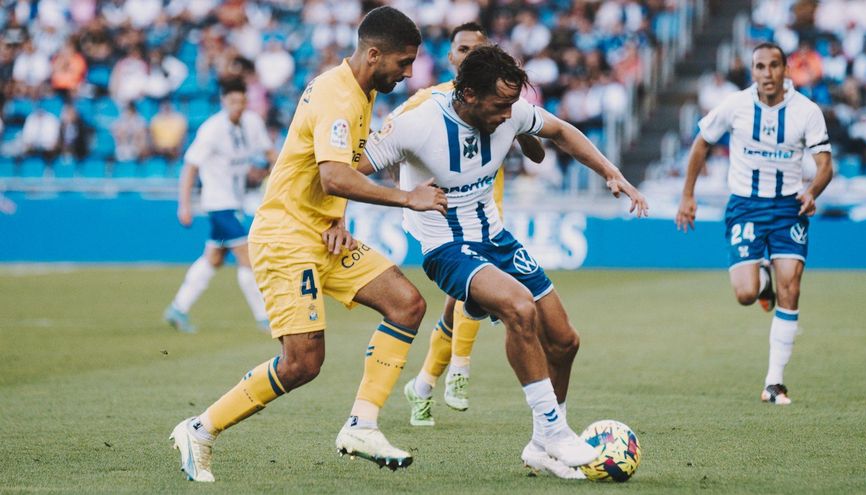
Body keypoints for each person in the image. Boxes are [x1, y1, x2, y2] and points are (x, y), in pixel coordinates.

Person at [169, 6, 447, 482]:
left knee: (406, 304)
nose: (409, 72)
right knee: (302, 363)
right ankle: (199, 429)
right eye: (404, 62)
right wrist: (408, 199)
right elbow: (334, 174)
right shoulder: (338, 97)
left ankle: (362, 425)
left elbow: (339, 170)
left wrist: (338, 215)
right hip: (285, 236)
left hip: (323, 232)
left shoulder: (360, 91)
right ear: (374, 54)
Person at [362, 45, 648, 479]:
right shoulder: (417, 123)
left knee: (565, 341)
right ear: (470, 95)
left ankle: (542, 444)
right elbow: (345, 170)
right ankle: (554, 431)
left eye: (512, 104)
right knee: (519, 307)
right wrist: (375, 207)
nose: (508, 115)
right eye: (499, 105)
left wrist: (612, 172)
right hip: (446, 248)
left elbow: (562, 131)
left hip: (496, 238)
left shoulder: (511, 112)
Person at [392, 22, 545, 428]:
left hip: (487, 215)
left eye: (476, 50)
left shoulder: (498, 100)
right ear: (451, 56)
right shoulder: (427, 102)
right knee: (473, 294)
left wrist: (523, 128)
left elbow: (537, 149)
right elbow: (387, 148)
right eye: (461, 49)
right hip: (442, 220)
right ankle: (458, 369)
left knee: (461, 301)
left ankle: (423, 385)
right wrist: (407, 194)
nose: (466, 56)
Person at [675, 42, 833, 406]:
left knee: (790, 287)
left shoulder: (806, 112)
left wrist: (813, 192)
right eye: (760, 66)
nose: (767, 73)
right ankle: (763, 286)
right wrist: (688, 195)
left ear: (785, 70)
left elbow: (825, 164)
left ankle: (774, 383)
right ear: (753, 71)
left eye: (774, 65)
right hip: (745, 206)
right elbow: (701, 145)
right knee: (745, 294)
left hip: (789, 207)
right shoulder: (736, 106)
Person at [163, 78, 276, 334]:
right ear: (224, 101)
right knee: (248, 256)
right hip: (217, 203)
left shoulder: (252, 123)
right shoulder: (211, 129)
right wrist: (184, 205)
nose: (238, 106)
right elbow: (190, 166)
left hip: (235, 201)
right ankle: (264, 318)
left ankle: (177, 309)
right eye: (232, 101)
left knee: (213, 258)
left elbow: (271, 154)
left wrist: (282, 172)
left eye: (241, 101)